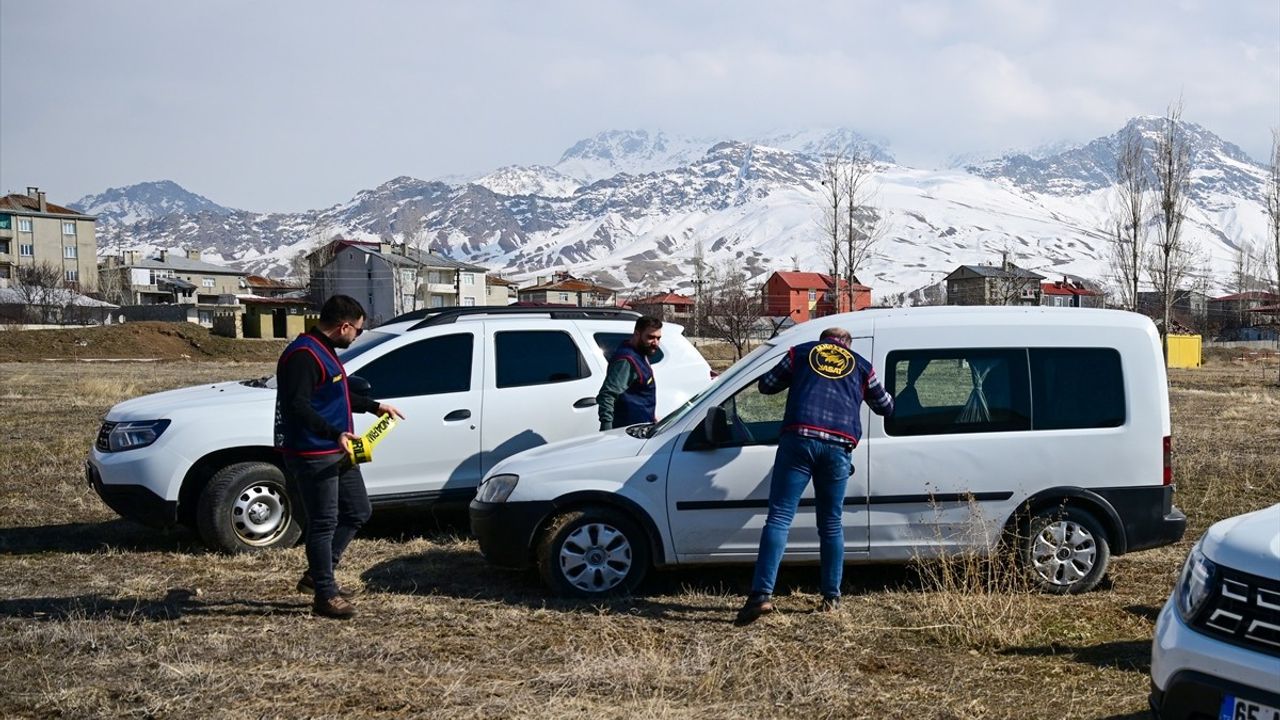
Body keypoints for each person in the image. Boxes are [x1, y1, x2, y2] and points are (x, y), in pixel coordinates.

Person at [734, 327, 894, 626]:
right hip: (837, 447)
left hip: (799, 440)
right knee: (831, 524)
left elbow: (766, 385)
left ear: (823, 341)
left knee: (780, 517)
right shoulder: (861, 365)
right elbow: (885, 406)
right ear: (847, 344)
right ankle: (831, 598)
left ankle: (761, 595)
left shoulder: (802, 352)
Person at [275, 294, 404, 620]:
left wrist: (375, 406)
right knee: (323, 522)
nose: (357, 336)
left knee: (358, 510)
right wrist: (334, 432)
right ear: (344, 326)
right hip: (313, 452)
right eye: (358, 331)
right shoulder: (303, 355)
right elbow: (297, 406)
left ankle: (319, 575)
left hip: (338, 450)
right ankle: (325, 594)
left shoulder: (324, 350)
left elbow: (338, 393)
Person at [596, 315, 663, 430]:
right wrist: (607, 431)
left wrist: (651, 417)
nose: (655, 342)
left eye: (658, 338)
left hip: (642, 427)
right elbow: (607, 395)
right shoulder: (626, 360)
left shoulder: (641, 353)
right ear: (637, 334)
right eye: (651, 337)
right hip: (627, 433)